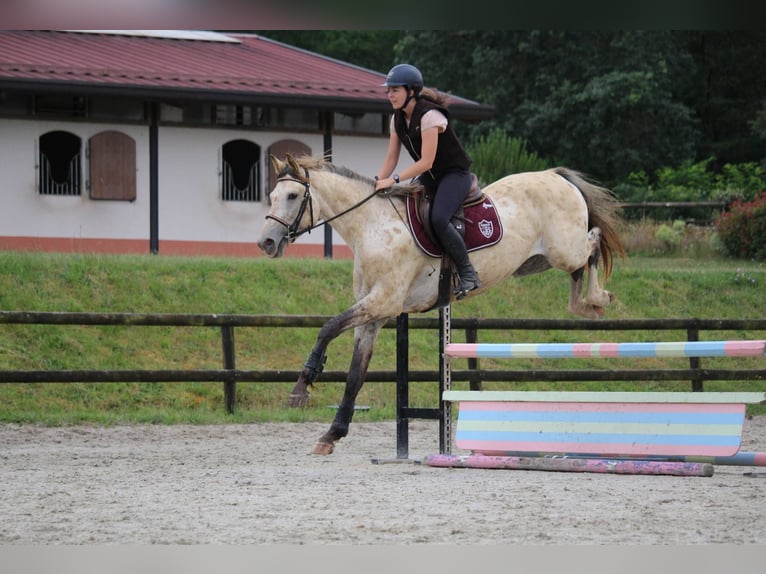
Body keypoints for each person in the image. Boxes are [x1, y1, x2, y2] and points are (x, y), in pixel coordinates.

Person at [374, 63, 481, 299]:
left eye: (395, 90)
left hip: (454, 175)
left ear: (411, 91)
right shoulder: (397, 119)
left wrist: (392, 180)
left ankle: (468, 273)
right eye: (388, 90)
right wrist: (377, 182)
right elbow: (392, 157)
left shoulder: (430, 116)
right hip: (432, 179)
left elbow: (426, 162)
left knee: (438, 218)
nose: (389, 95)